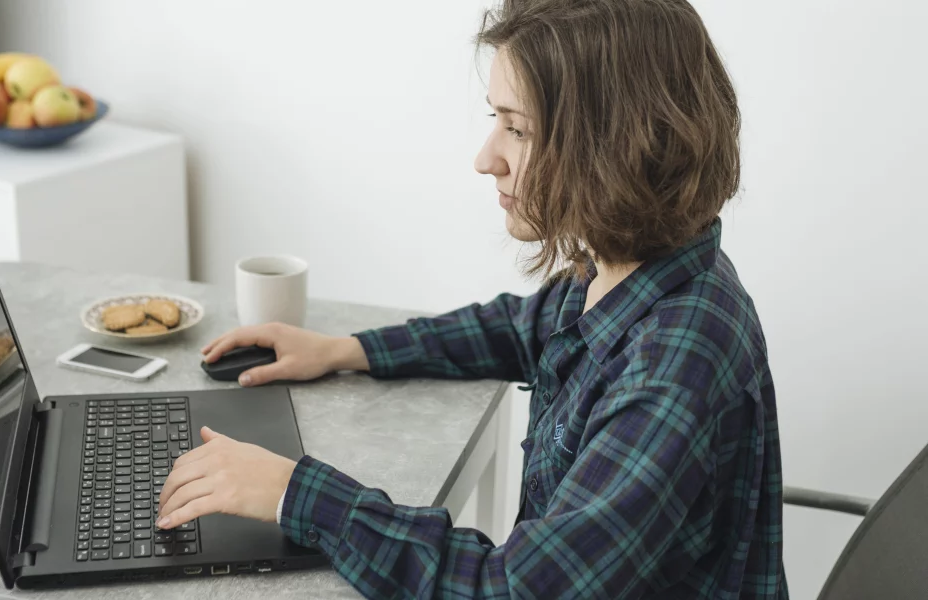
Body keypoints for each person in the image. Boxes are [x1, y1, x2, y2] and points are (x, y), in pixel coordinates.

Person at [157, 0, 788, 597]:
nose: (487, 159)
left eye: (518, 129)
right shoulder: (631, 270)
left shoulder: (673, 369)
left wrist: (297, 493)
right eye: (496, 120)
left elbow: (511, 589)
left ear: (617, 143)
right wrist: (344, 350)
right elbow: (518, 328)